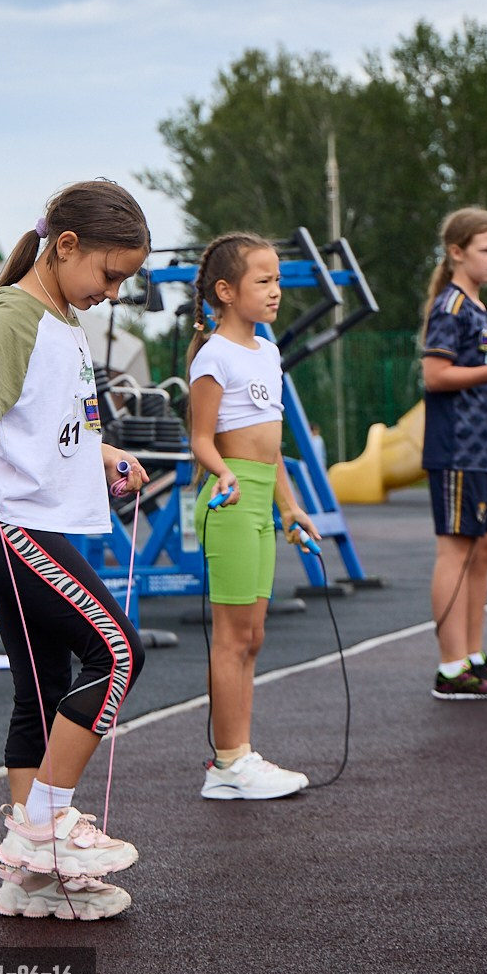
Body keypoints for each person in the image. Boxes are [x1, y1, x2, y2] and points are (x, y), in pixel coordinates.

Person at [0, 180, 152, 921]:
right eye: (110, 273)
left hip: (32, 522)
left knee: (42, 690)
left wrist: (106, 453)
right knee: (118, 652)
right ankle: (45, 830)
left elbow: (54, 422)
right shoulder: (16, 311)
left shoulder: (63, 316)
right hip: (8, 524)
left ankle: (29, 879)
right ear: (66, 247)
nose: (114, 290)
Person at [187, 233, 319, 799]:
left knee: (254, 635)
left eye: (278, 281)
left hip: (263, 499)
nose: (275, 292)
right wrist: (224, 473)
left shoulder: (268, 351)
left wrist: (291, 507)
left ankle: (237, 756)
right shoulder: (213, 355)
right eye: (263, 281)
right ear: (226, 290)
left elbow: (274, 444)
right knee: (232, 636)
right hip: (232, 501)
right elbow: (200, 440)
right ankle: (228, 763)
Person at [420, 206, 487, 702]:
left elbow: (483, 369)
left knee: (484, 550)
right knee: (456, 552)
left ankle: (472, 655)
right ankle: (450, 667)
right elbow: (435, 376)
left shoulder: (479, 310)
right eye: (485, 249)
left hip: (485, 449)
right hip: (457, 450)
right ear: (457, 252)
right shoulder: (451, 307)